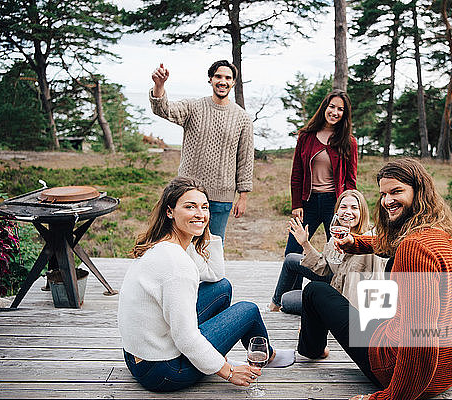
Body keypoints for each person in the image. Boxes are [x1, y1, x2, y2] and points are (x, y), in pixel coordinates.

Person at [297, 159, 452, 400]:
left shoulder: (414, 248)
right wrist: (355, 242)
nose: (387, 200)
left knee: (316, 291)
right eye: (383, 193)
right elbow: (391, 243)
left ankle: (314, 350)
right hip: (451, 367)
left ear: (419, 191)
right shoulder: (446, 232)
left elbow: (419, 343)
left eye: (396, 191)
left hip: (405, 373)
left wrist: (387, 397)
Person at [117, 177, 293, 392]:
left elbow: (216, 275)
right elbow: (185, 337)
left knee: (222, 288)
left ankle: (215, 353)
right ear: (170, 211)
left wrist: (201, 226)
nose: (200, 213)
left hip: (138, 356)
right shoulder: (177, 265)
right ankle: (266, 355)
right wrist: (227, 370)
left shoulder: (166, 245)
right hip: (164, 371)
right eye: (190, 207)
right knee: (248, 310)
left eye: (205, 207)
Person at [150, 60, 254, 242]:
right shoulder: (193, 107)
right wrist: (159, 86)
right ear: (210, 80)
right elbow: (163, 109)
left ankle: (215, 273)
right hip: (187, 193)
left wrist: (243, 196)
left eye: (228, 78)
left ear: (233, 83)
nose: (223, 81)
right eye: (218, 76)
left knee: (213, 246)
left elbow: (245, 160)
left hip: (221, 197)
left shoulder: (243, 118)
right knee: (182, 243)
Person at [269, 189, 387, 315]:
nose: (348, 212)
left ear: (362, 212)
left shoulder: (371, 239)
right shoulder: (336, 236)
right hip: (333, 292)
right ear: (337, 212)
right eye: (343, 207)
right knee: (287, 297)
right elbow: (324, 268)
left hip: (347, 307)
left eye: (354, 208)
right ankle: (274, 307)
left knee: (288, 302)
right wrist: (305, 243)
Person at [286, 89, 357, 255]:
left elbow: (350, 181)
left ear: (345, 114)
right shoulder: (305, 136)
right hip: (307, 203)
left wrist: (349, 209)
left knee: (337, 252)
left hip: (334, 203)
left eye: (340, 109)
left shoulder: (349, 142)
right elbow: (297, 173)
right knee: (292, 252)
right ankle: (291, 282)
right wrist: (296, 204)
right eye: (332, 107)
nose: (335, 112)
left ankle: (331, 282)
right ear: (325, 107)